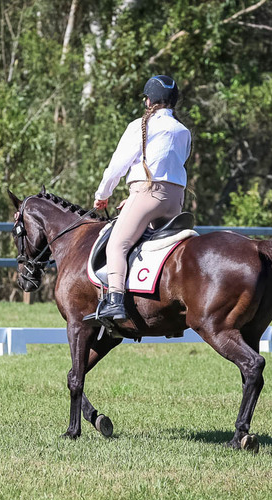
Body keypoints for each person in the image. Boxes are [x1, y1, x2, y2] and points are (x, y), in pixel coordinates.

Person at [90, 74, 191, 322]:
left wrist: (102, 195)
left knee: (117, 244)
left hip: (147, 194)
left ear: (149, 101)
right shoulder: (183, 130)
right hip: (176, 198)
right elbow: (172, 165)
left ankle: (114, 301)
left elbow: (117, 167)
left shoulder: (139, 126)